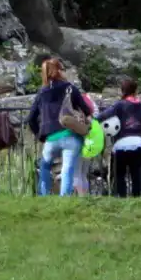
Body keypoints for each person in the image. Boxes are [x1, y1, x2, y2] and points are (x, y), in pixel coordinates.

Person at [27, 57, 92, 196]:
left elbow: (31, 118)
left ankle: (43, 195)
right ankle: (64, 199)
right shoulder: (69, 88)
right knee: (67, 169)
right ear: (59, 71)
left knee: (44, 167)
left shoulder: (41, 93)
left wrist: (40, 135)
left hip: (50, 139)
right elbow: (87, 110)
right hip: (70, 136)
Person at [99, 77, 141, 198]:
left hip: (121, 143)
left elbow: (105, 114)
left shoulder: (120, 105)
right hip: (138, 142)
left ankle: (122, 198)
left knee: (120, 173)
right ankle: (137, 198)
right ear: (135, 90)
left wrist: (93, 120)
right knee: (136, 173)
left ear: (122, 91)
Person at [74, 87, 98, 197]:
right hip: (90, 141)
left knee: (77, 173)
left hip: (78, 139)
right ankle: (86, 195)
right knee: (84, 173)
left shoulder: (73, 103)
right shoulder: (90, 102)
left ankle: (80, 198)